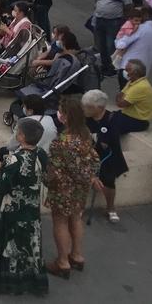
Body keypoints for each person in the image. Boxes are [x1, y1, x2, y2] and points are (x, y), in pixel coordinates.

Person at [0, 117, 49, 296]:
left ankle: (6, 281)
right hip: (31, 209)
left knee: (9, 245)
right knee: (29, 244)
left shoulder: (15, 160)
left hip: (10, 211)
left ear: (21, 136)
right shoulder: (41, 154)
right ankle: (31, 280)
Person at [44, 95, 101, 278]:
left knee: (60, 222)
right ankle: (77, 255)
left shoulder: (62, 142)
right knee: (76, 219)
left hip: (62, 188)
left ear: (66, 116)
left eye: (61, 111)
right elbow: (92, 159)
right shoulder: (85, 134)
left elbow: (54, 169)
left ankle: (62, 262)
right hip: (81, 187)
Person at [82, 89, 127, 223]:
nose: (85, 109)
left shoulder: (113, 119)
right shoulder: (85, 119)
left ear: (99, 107)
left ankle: (111, 208)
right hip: (87, 154)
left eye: (88, 107)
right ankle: (79, 207)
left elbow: (109, 141)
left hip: (108, 156)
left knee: (108, 180)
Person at [92, 0, 132, 76]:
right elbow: (96, 2)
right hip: (100, 19)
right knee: (102, 45)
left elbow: (128, 6)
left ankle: (112, 68)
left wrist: (125, 21)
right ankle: (104, 65)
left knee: (111, 45)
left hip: (113, 22)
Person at [113, 59, 152, 134]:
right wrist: (121, 97)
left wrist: (121, 97)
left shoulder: (140, 87)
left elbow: (121, 104)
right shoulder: (132, 82)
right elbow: (119, 97)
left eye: (127, 69)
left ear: (135, 72)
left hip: (137, 121)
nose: (125, 71)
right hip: (127, 115)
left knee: (111, 127)